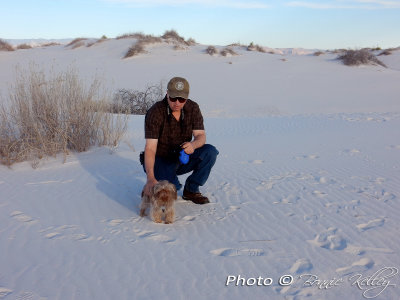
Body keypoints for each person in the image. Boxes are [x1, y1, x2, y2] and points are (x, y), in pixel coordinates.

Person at [141, 77, 218, 204]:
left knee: (210, 152)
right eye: (173, 98)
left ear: (186, 98)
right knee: (172, 189)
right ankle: (150, 187)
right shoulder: (155, 112)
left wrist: (193, 145)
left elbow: (201, 136)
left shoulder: (193, 108)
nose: (177, 102)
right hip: (160, 159)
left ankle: (191, 190)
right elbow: (150, 148)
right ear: (167, 94)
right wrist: (150, 178)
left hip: (182, 157)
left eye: (181, 99)